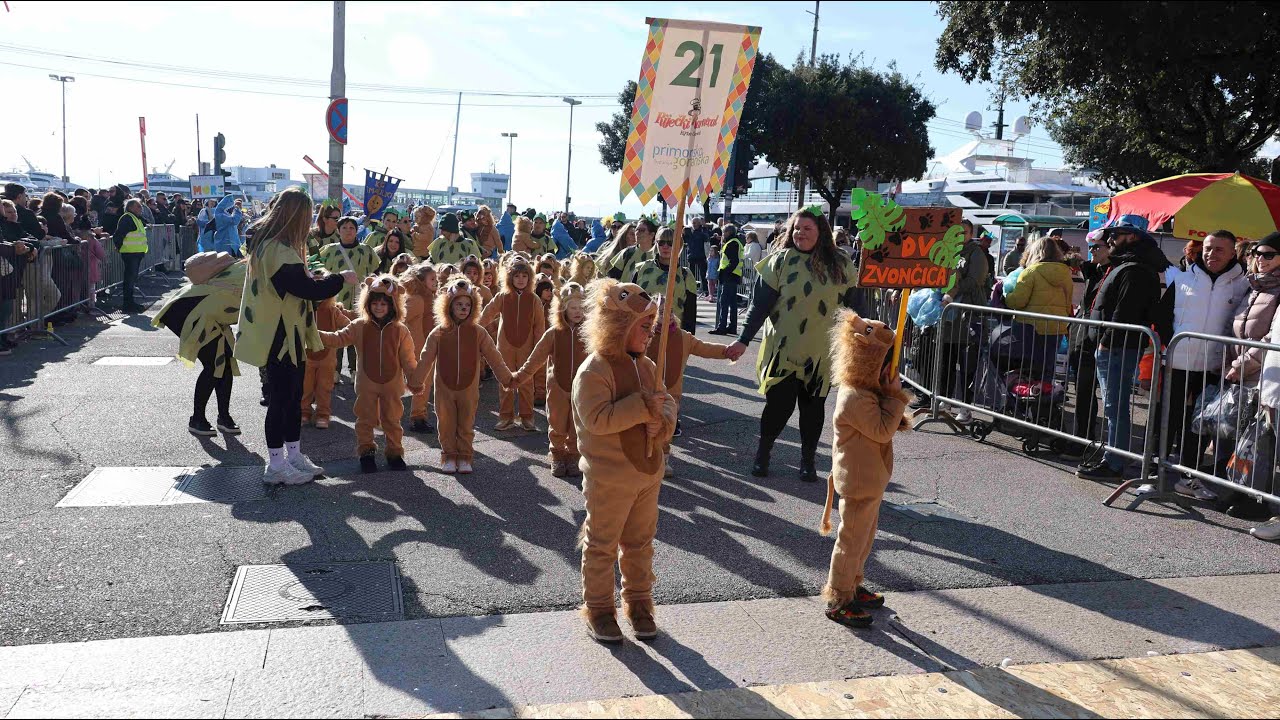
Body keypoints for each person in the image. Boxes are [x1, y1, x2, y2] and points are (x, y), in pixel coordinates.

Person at [572, 279, 676, 644]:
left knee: (640, 542)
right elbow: (596, 420)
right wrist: (640, 408)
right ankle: (599, 608)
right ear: (619, 327)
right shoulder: (593, 370)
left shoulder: (647, 366)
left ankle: (640, 603)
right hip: (609, 478)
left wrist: (662, 416)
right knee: (602, 543)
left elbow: (667, 404)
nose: (650, 335)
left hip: (647, 474)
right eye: (644, 327)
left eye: (651, 327)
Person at [727, 207, 859, 482]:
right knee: (778, 407)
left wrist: (865, 342)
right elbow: (759, 305)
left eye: (807, 228)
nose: (800, 233)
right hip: (783, 350)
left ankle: (808, 461)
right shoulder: (780, 261)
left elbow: (854, 308)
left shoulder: (840, 263)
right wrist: (742, 340)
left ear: (821, 232)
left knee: (813, 410)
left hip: (821, 353)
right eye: (796, 228)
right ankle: (763, 453)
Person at [233, 187, 355, 485]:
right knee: (282, 399)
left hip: (287, 332)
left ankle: (293, 455)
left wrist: (312, 279)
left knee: (290, 398)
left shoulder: (271, 246)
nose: (310, 220)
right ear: (296, 216)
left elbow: (294, 284)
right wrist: (339, 279)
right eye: (308, 214)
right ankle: (276, 465)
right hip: (280, 335)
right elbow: (306, 290)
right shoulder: (278, 249)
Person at [817, 310, 909, 628]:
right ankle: (839, 597)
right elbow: (882, 429)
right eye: (884, 365)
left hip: (870, 478)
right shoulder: (855, 397)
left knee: (864, 537)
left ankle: (853, 582)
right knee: (851, 539)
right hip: (859, 479)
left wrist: (889, 394)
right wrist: (895, 396)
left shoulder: (865, 392)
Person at [1076, 215, 1170, 482]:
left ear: (1131, 236)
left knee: (1115, 407)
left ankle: (1115, 462)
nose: (1109, 240)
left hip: (1117, 347)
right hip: (1114, 346)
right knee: (1114, 406)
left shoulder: (1135, 270)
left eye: (1115, 235)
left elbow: (1125, 312)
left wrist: (1106, 341)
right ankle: (1113, 458)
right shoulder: (1129, 266)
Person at [1158, 229, 1249, 500]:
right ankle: (1154, 468)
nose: (1211, 254)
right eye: (1208, 248)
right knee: (1167, 416)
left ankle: (1190, 476)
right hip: (1178, 361)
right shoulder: (1183, 278)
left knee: (1198, 426)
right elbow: (1162, 316)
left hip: (1214, 367)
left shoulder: (1243, 284)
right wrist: (1169, 344)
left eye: (1219, 249)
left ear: (1233, 252)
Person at [407, 278, 515, 474]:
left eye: (467, 305)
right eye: (459, 305)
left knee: (466, 422)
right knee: (446, 423)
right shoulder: (438, 332)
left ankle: (465, 456)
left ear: (473, 307)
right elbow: (425, 358)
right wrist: (416, 382)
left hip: (468, 388)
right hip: (444, 388)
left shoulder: (478, 332)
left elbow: (494, 356)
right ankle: (448, 455)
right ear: (448, 306)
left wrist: (506, 378)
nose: (463, 308)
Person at [319, 276, 418, 473]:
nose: (379, 307)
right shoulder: (359, 326)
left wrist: (415, 379)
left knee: (392, 419)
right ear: (368, 303)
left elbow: (408, 359)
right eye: (375, 303)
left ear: (393, 306)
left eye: (383, 304)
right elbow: (338, 338)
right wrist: (314, 334)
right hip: (366, 384)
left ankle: (395, 452)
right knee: (365, 419)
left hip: (392, 385)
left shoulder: (400, 330)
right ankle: (366, 451)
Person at [154, 252, 246, 436]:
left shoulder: (250, 267)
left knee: (225, 362)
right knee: (213, 365)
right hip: (191, 310)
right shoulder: (255, 271)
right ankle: (197, 419)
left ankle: (224, 417)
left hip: (202, 309)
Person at [646, 297, 734, 476]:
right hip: (647, 392)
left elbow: (704, 348)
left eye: (670, 311)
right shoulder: (645, 334)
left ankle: (663, 460)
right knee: (647, 426)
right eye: (662, 312)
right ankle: (646, 458)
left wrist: (727, 352)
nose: (668, 316)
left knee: (666, 428)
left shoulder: (683, 337)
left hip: (672, 394)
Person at [511, 282, 589, 477]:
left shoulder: (590, 334)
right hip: (557, 387)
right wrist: (519, 377)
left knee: (576, 423)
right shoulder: (554, 333)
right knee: (557, 421)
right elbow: (535, 358)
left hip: (582, 388)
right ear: (563, 308)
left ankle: (573, 455)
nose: (577, 312)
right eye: (573, 307)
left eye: (581, 307)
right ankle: (556, 454)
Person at [478, 256, 546, 431]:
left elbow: (539, 327)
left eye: (524, 276)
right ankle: (506, 416)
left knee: (526, 382)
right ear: (509, 278)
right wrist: (473, 329)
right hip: (505, 347)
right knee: (505, 381)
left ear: (530, 278)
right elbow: (487, 314)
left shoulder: (534, 300)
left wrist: (539, 349)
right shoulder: (502, 296)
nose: (521, 280)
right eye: (516, 276)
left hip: (527, 348)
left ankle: (527, 416)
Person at [1063, 231, 1112, 459]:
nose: (1091, 251)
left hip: (1096, 342)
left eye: (1096, 247)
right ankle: (1082, 437)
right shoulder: (1094, 270)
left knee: (1094, 394)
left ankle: (1089, 441)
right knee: (1082, 392)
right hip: (1081, 338)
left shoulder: (1113, 273)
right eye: (1090, 247)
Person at [936, 220, 990, 423]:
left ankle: (965, 408)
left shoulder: (976, 254)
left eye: (964, 232)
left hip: (969, 314)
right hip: (951, 316)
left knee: (967, 364)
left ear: (971, 233)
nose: (960, 236)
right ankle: (945, 399)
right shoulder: (951, 251)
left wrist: (951, 291)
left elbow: (974, 280)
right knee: (948, 360)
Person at [1003, 236, 1075, 380]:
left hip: (1031, 327)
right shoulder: (1066, 273)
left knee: (1030, 368)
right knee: (1048, 366)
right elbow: (1068, 302)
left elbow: (1018, 301)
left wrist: (1006, 296)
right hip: (1056, 326)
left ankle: (1032, 398)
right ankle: (1046, 396)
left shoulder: (1030, 272)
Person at [318, 216, 379, 382]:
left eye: (352, 227)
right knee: (336, 333)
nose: (348, 230)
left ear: (357, 229)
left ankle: (354, 369)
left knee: (356, 334)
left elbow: (375, 270)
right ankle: (335, 369)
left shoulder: (367, 250)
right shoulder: (329, 250)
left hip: (359, 300)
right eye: (344, 227)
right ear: (338, 230)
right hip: (334, 299)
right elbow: (320, 270)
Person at [301, 267, 353, 430]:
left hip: (327, 357)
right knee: (305, 387)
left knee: (324, 387)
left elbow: (348, 326)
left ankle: (323, 414)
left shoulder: (332, 310)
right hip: (306, 356)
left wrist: (337, 339)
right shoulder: (301, 310)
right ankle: (304, 412)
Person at [624, 227, 698, 333]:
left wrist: (687, 343)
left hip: (674, 334)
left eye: (670, 243)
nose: (665, 246)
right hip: (642, 332)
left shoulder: (686, 275)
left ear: (679, 245)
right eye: (661, 242)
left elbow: (690, 314)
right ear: (656, 243)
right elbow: (630, 304)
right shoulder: (641, 269)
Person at [400, 263, 438, 434]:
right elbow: (401, 318)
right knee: (421, 384)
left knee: (425, 384)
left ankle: (420, 416)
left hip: (428, 349)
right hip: (418, 350)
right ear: (421, 281)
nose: (436, 282)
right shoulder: (417, 299)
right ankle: (417, 418)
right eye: (432, 279)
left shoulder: (431, 297)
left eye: (436, 279)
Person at [111, 198, 149, 314]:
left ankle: (130, 303)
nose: (141, 208)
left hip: (136, 253)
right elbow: (119, 235)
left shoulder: (135, 218)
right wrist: (118, 246)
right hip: (130, 253)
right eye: (138, 206)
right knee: (129, 279)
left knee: (132, 279)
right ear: (131, 207)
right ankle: (127, 304)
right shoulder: (127, 218)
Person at [710, 223, 743, 336]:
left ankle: (722, 327)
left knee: (723, 302)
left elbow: (733, 261)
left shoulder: (731, 243)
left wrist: (725, 272)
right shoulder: (736, 242)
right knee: (732, 303)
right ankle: (732, 326)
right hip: (734, 275)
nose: (722, 235)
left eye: (724, 232)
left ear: (728, 232)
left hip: (729, 276)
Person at [686, 217, 712, 296]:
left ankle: (705, 290)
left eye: (695, 223)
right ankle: (692, 289)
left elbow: (707, 240)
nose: (693, 224)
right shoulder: (689, 231)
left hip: (701, 255)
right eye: (693, 223)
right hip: (692, 255)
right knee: (691, 274)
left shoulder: (703, 231)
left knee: (703, 274)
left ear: (699, 223)